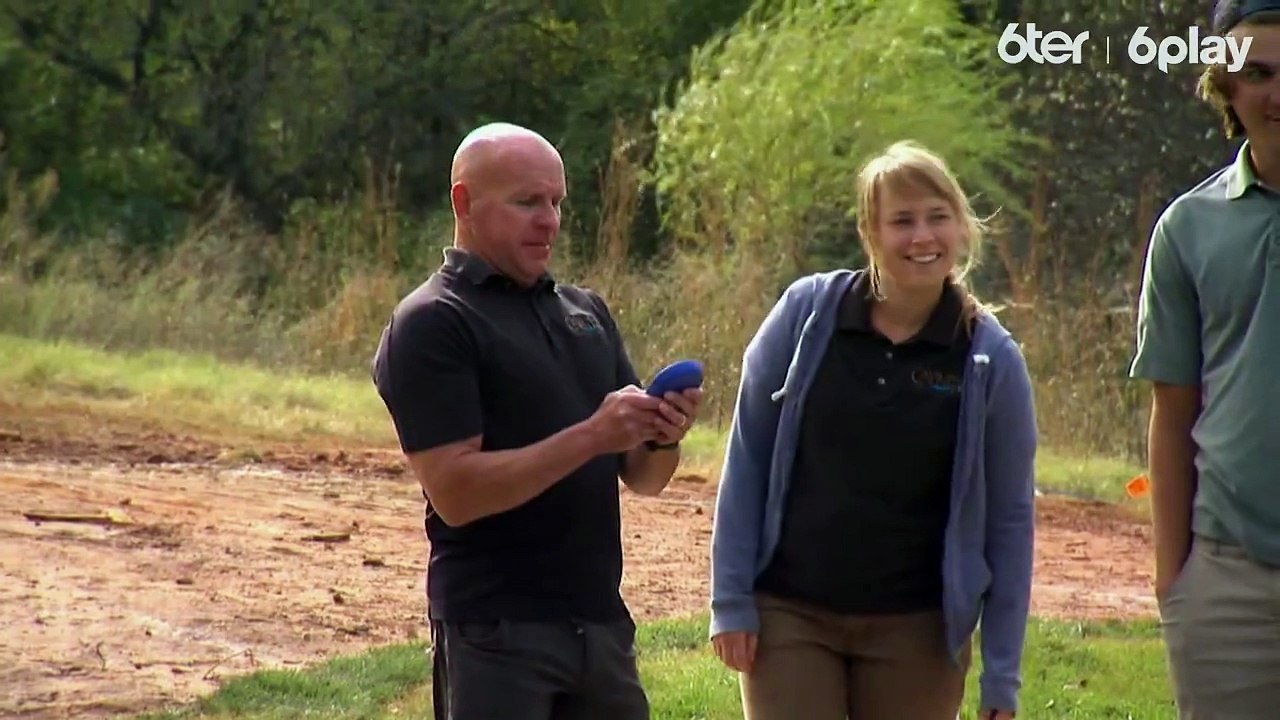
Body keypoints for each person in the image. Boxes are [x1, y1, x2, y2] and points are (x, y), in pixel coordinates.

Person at [370, 121, 702, 720]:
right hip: (494, 631)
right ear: (463, 202)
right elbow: (457, 492)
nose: (548, 220)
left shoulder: (585, 312)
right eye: (527, 202)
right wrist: (592, 435)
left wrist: (662, 434)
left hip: (599, 624)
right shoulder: (433, 321)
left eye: (555, 202)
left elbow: (646, 478)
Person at [708, 140, 1038, 720]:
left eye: (938, 218)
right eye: (902, 221)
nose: (922, 237)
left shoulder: (990, 359)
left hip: (918, 629)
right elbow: (748, 459)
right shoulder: (804, 317)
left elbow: (1009, 523)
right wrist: (731, 600)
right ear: (870, 231)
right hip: (791, 613)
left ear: (962, 228)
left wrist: (1002, 676)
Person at [1130, 2, 1280, 716]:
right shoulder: (1188, 228)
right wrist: (1175, 582)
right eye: (1257, 73)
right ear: (1225, 84)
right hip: (1229, 584)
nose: (1277, 93)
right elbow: (1172, 412)